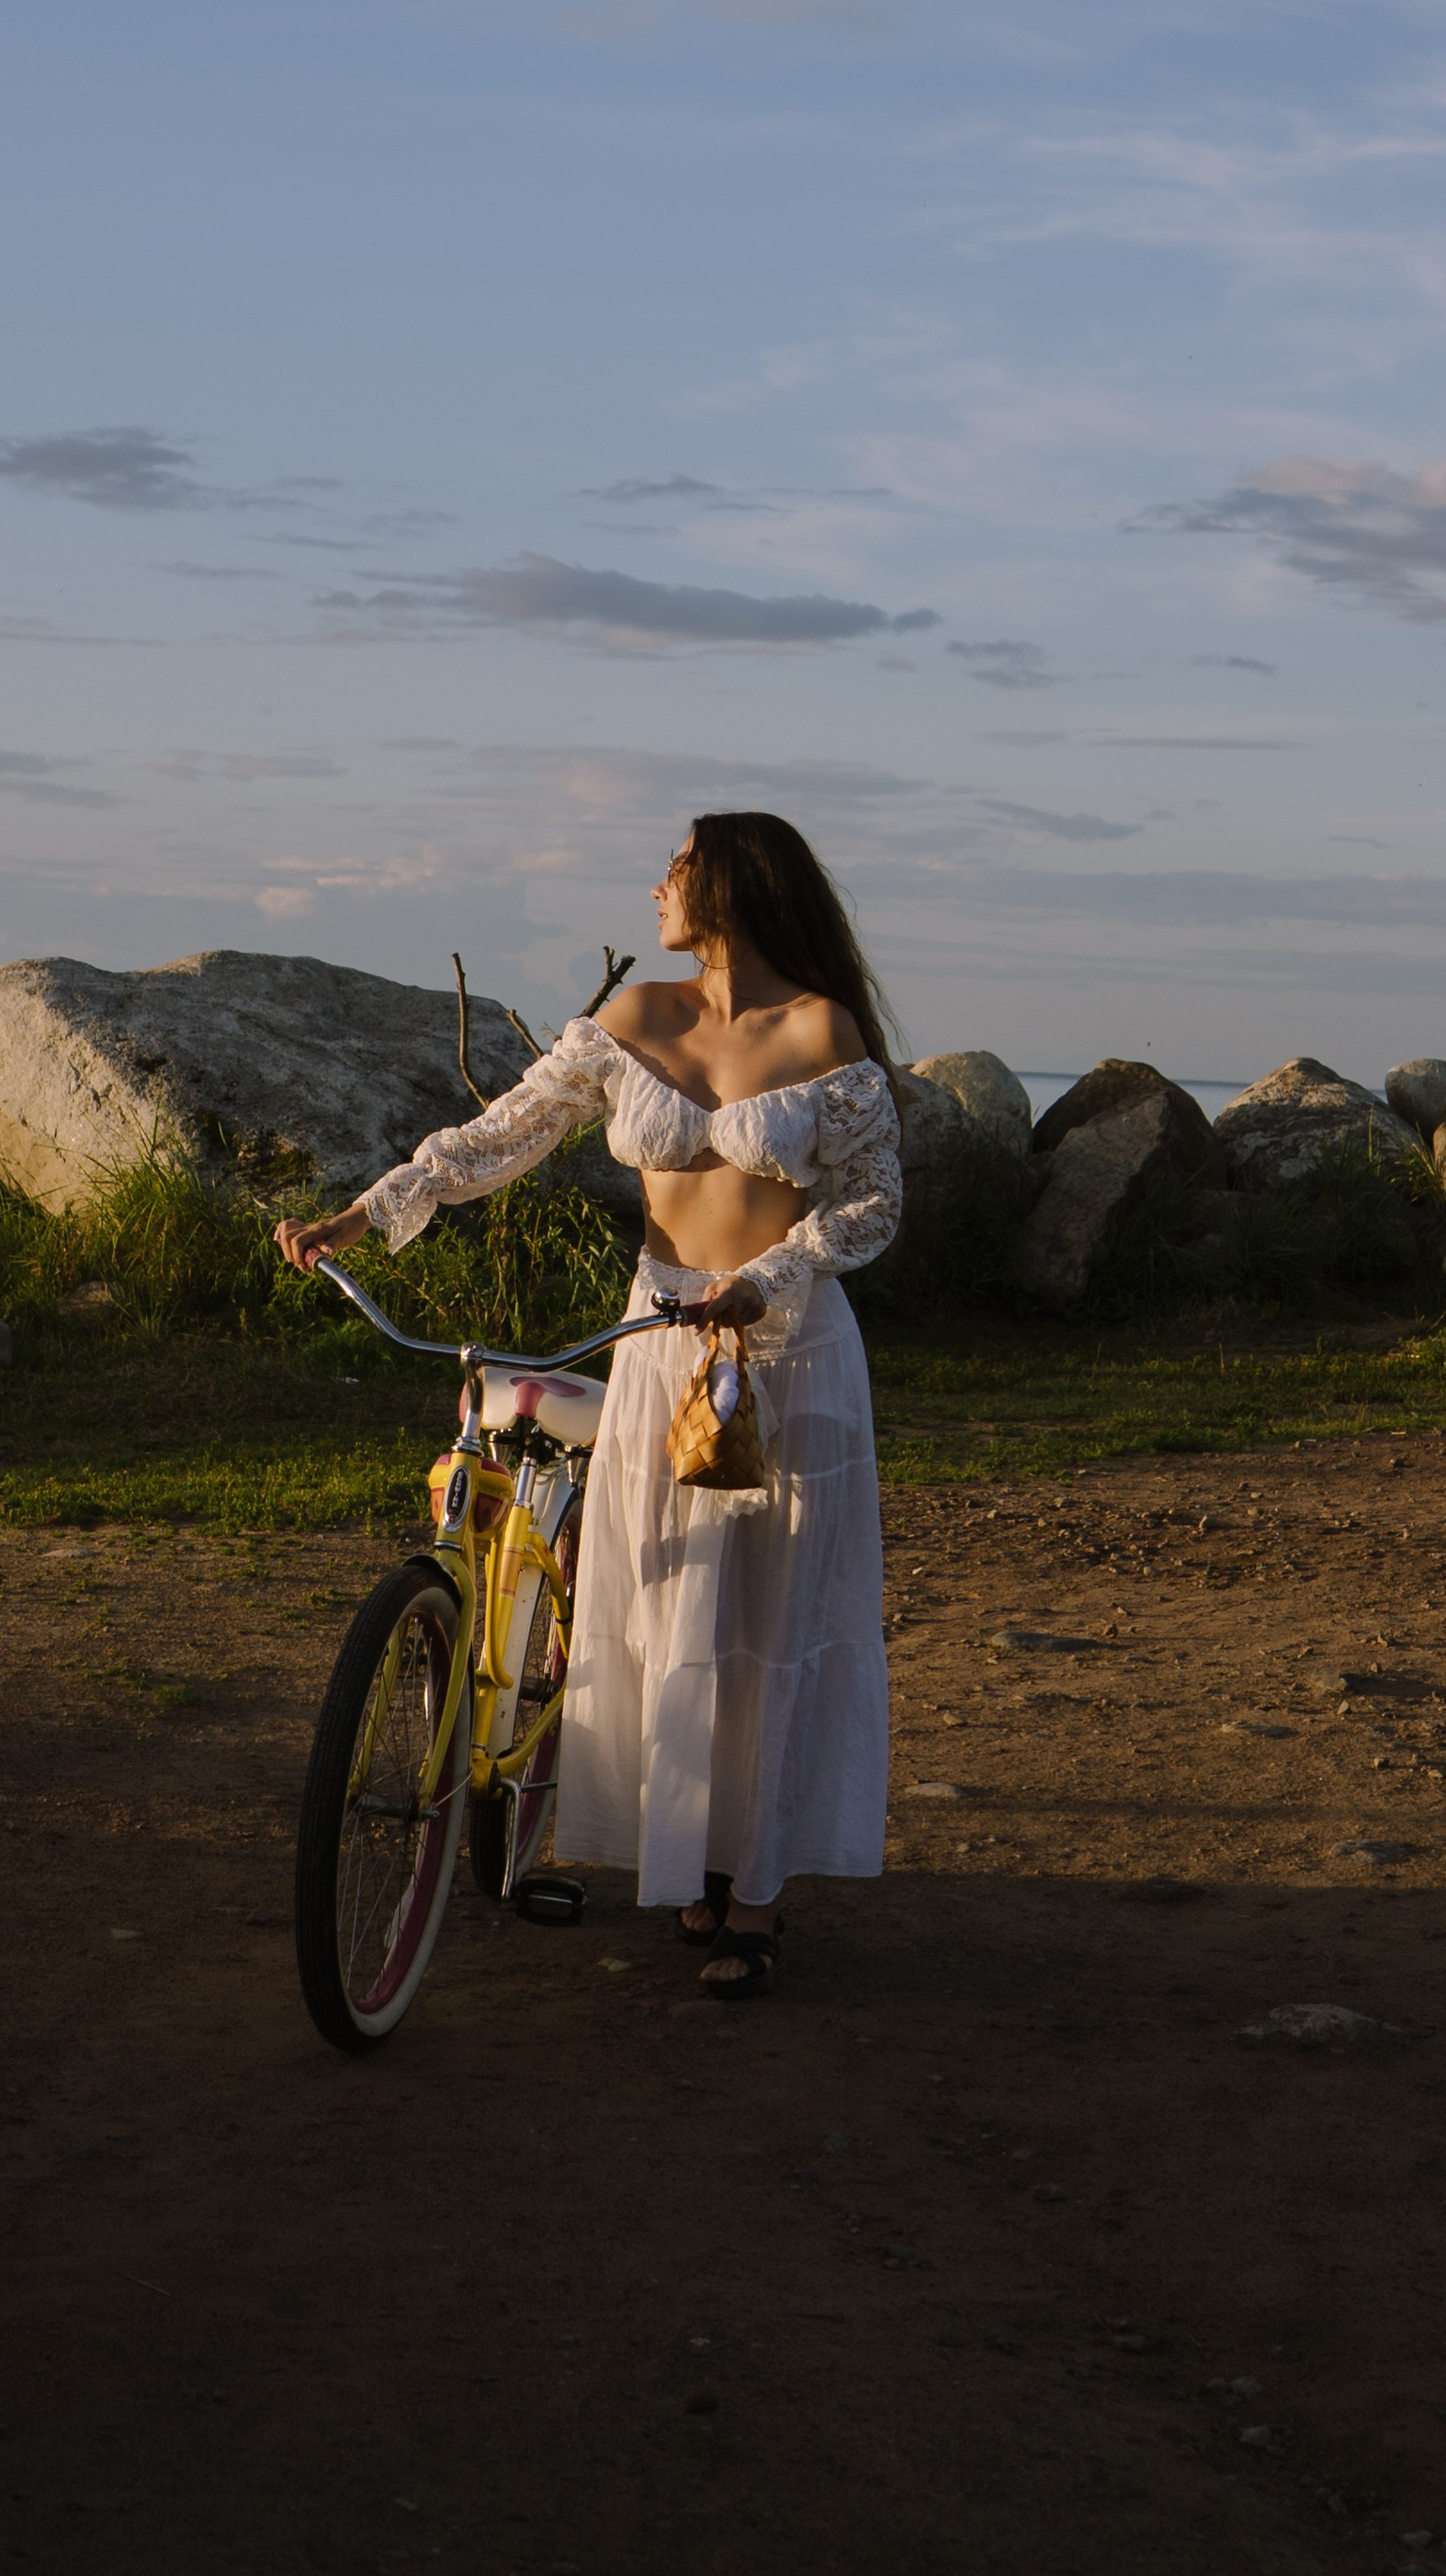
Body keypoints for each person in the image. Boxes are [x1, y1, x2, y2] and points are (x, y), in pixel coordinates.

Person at [274, 809, 903, 2000]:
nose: (658, 884)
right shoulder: (633, 1020)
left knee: (773, 1621)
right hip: (659, 1345)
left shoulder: (822, 1027)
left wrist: (765, 1279)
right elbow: (492, 1139)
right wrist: (366, 1216)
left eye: (676, 865)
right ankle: (695, 1863)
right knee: (672, 1614)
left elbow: (873, 1206)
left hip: (790, 1353)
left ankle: (755, 1898)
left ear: (733, 884)